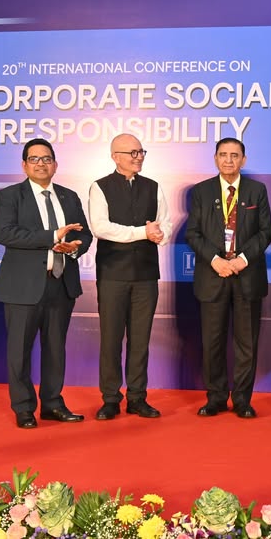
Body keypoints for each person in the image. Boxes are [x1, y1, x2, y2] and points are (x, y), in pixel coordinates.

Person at [0, 138, 92, 428]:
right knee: (19, 351)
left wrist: (72, 247)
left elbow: (84, 234)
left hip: (61, 284)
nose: (41, 164)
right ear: (24, 165)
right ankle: (24, 408)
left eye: (46, 159)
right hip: (22, 287)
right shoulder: (10, 196)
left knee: (55, 349)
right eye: (34, 159)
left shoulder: (69, 196)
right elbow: (6, 233)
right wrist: (52, 237)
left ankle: (52, 404)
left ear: (55, 164)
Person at [186, 137, 271, 419]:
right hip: (213, 276)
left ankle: (243, 400)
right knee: (212, 342)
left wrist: (241, 260)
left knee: (247, 344)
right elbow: (193, 233)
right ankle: (216, 398)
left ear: (243, 160)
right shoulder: (201, 191)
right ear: (215, 158)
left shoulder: (257, 190)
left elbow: (265, 232)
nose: (228, 160)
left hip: (247, 276)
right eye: (223, 154)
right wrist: (216, 260)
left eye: (234, 155)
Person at [89, 133, 173, 420]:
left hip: (146, 274)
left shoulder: (153, 187)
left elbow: (165, 223)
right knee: (111, 339)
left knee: (140, 340)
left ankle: (137, 397)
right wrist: (142, 232)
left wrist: (161, 235)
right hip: (112, 274)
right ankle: (110, 398)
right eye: (132, 153)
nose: (138, 157)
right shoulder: (100, 187)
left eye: (141, 152)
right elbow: (101, 228)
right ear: (115, 156)